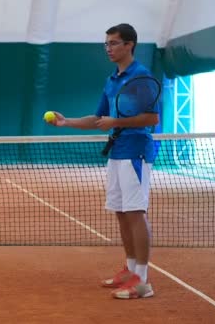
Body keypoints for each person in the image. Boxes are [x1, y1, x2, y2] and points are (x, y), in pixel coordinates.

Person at [47, 23, 159, 299]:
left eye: (113, 43)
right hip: (117, 152)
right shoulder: (112, 80)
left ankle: (142, 281)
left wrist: (116, 122)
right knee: (122, 212)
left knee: (135, 213)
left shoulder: (141, 78)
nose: (108, 48)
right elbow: (98, 119)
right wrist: (66, 122)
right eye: (106, 44)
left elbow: (152, 118)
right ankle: (130, 269)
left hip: (136, 152)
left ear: (129, 45)